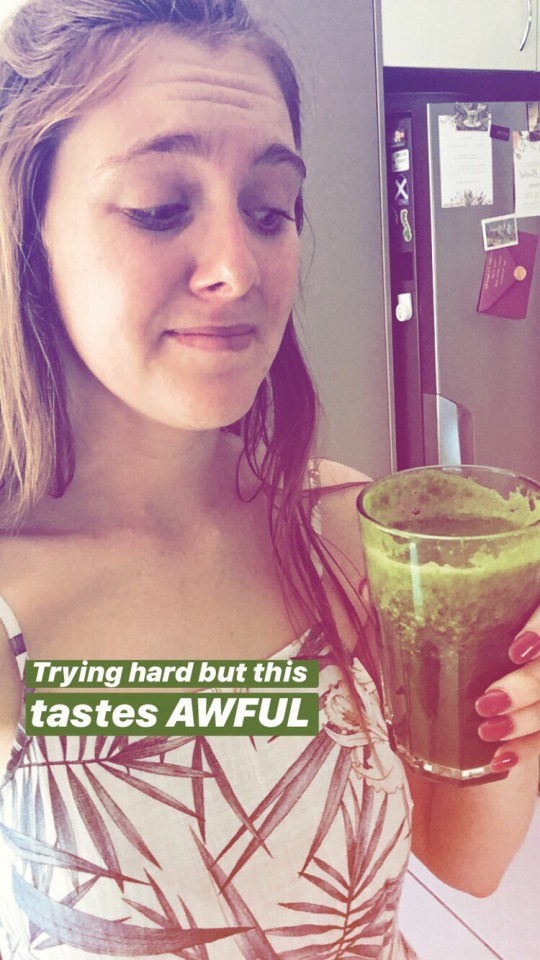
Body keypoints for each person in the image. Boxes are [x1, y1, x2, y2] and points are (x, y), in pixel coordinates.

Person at [0, 1, 538, 957]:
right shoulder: (16, 603)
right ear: (27, 229)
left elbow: (463, 859)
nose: (237, 267)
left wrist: (519, 722)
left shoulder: (339, 528)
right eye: (159, 206)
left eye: (270, 209)